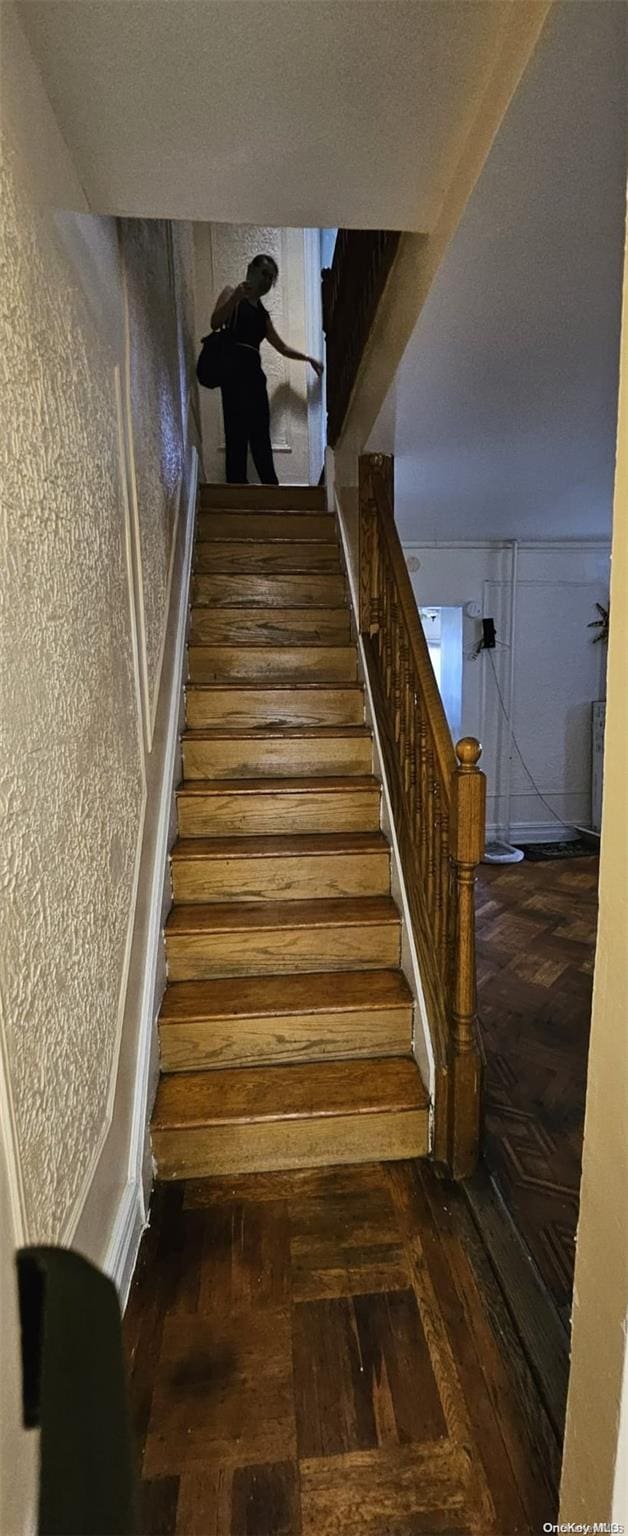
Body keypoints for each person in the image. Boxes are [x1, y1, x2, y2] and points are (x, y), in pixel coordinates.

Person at [210, 253, 324, 485]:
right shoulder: (231, 293)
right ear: (250, 268)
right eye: (264, 273)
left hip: (254, 376)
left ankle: (271, 487)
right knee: (236, 434)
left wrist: (309, 358)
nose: (266, 280)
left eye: (271, 278)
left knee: (260, 433)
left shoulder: (262, 314)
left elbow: (281, 346)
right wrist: (235, 299)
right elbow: (215, 322)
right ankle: (236, 489)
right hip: (233, 374)